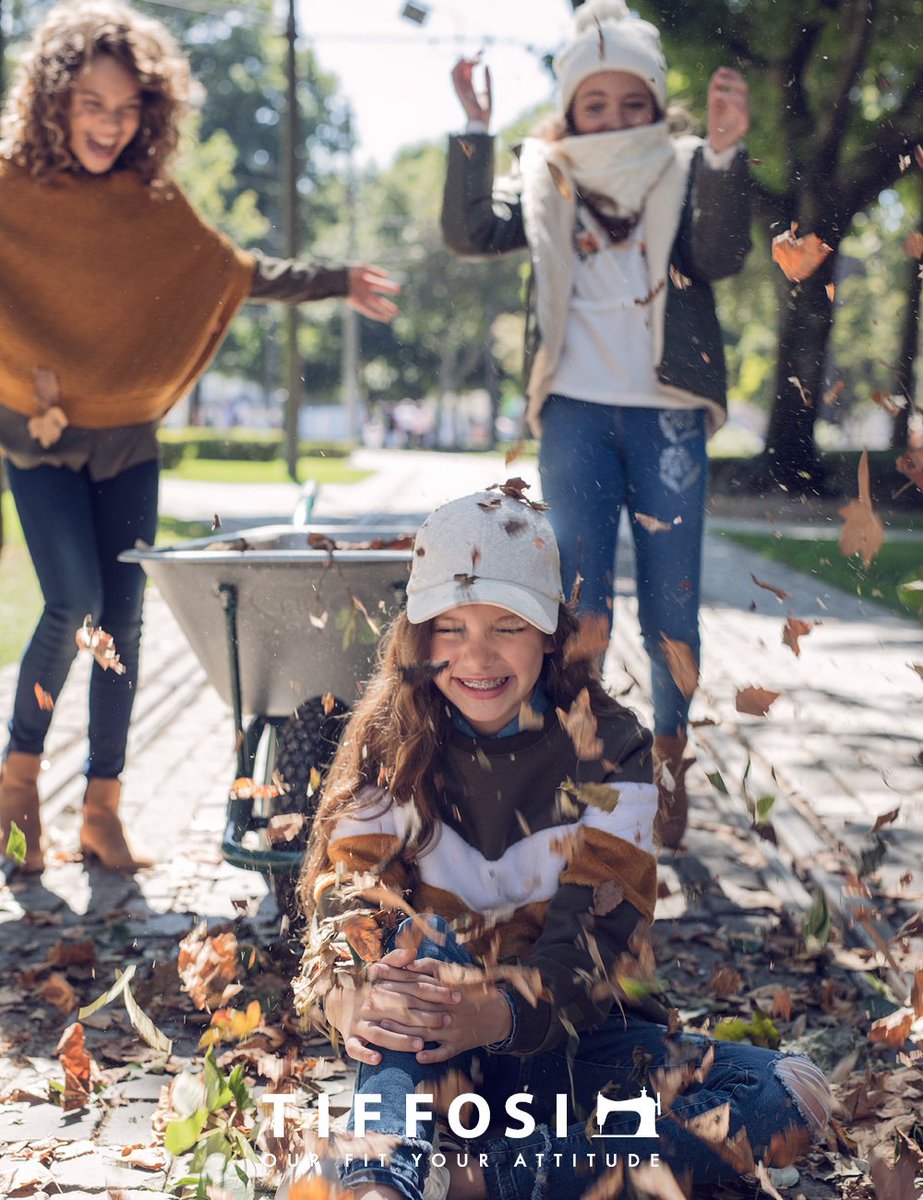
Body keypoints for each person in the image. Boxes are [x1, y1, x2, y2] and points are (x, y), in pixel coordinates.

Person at [289, 488, 830, 1200]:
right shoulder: (389, 742)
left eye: (506, 625)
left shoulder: (609, 748)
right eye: (448, 627)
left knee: (787, 1094)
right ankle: (379, 1178)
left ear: (549, 630)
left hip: (569, 1049)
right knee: (415, 962)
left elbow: (596, 941)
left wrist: (499, 1012)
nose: (475, 655)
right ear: (416, 638)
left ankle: (470, 1182)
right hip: (429, 1056)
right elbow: (344, 900)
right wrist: (349, 993)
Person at [0, 0, 398, 875]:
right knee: (72, 602)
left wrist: (334, 280)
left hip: (127, 438)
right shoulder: (9, 189)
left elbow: (234, 273)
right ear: (55, 100)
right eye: (92, 104)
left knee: (125, 624)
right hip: (36, 435)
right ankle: (17, 792)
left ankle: (102, 813)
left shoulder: (151, 201)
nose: (109, 123)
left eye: (126, 106)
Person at [441, 0, 752, 848]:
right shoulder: (543, 169)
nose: (612, 118)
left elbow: (718, 257)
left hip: (670, 419)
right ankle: (578, 765)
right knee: (577, 603)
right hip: (575, 410)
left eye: (630, 103)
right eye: (594, 103)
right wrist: (473, 129)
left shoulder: (687, 166)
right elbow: (471, 231)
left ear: (656, 107)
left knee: (671, 607)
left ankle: (666, 763)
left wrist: (724, 153)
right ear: (569, 108)